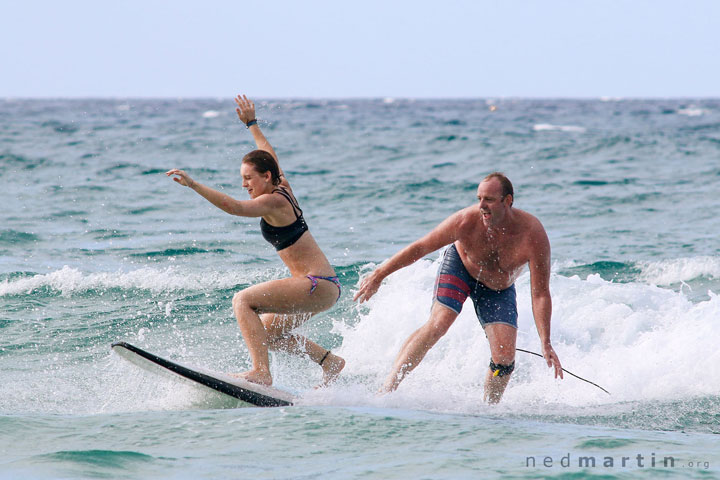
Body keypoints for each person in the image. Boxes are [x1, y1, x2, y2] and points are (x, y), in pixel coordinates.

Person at [166, 95, 345, 387]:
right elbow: (268, 151)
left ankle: (261, 373)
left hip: (317, 284)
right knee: (267, 334)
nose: (244, 184)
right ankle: (330, 362)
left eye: (249, 178)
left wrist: (194, 184)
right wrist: (251, 124)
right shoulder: (282, 186)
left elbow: (235, 208)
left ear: (266, 176)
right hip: (323, 286)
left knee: (243, 301)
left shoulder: (274, 201)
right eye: (242, 178)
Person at [354, 172, 563, 403]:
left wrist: (546, 342)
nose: (481, 206)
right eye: (479, 198)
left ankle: (489, 409)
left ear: (508, 201)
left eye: (489, 200)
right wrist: (379, 275)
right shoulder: (465, 221)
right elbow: (421, 247)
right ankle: (387, 390)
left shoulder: (532, 234)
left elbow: (541, 294)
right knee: (440, 322)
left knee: (504, 357)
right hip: (461, 267)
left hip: (498, 288)